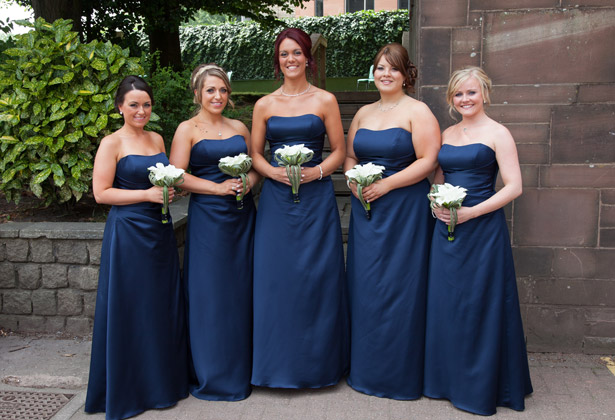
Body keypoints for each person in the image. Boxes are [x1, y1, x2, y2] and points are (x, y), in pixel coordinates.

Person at [423, 66, 533, 415]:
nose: (465, 99)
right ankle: (447, 381)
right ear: (451, 99)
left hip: (482, 232)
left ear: (484, 93)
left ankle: (481, 385)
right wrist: (437, 201)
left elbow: (514, 186)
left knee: (481, 306)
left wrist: (472, 212)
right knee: (448, 303)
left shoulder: (499, 133)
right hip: (447, 230)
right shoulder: (447, 132)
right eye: (458, 94)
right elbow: (439, 178)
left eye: (471, 92)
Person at [85, 76, 189, 419]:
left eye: (146, 104)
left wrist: (171, 191)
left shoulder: (157, 138)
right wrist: (145, 195)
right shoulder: (111, 142)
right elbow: (102, 193)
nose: (141, 110)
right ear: (120, 107)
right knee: (132, 307)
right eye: (133, 105)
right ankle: (130, 388)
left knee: (159, 306)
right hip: (128, 233)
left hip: (158, 231)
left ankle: (162, 384)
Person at [250, 28, 348, 388]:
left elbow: (338, 150)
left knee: (316, 278)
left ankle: (319, 365)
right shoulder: (264, 105)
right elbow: (254, 155)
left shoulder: (325, 101)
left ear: (308, 57)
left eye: (296, 53)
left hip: (316, 198)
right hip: (276, 202)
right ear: (277, 60)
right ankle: (275, 367)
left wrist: (318, 171)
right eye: (283, 54)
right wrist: (272, 172)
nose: (290, 59)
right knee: (276, 280)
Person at [343, 43, 440, 400]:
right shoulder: (363, 114)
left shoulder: (418, 111)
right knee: (367, 287)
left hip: (405, 212)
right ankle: (367, 368)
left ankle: (400, 373)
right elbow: (351, 156)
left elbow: (428, 160)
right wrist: (354, 181)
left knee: (402, 288)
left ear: (405, 75)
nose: (385, 74)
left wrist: (386, 184)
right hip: (368, 212)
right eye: (380, 67)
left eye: (393, 69)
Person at [169, 64, 257, 401]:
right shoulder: (187, 129)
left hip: (243, 217)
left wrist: (248, 183)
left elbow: (255, 169)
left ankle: (246, 367)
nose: (218, 96)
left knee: (241, 290)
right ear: (197, 94)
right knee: (212, 294)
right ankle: (212, 372)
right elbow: (176, 176)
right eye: (210, 91)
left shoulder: (239, 127)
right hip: (208, 220)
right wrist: (217, 189)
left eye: (222, 90)